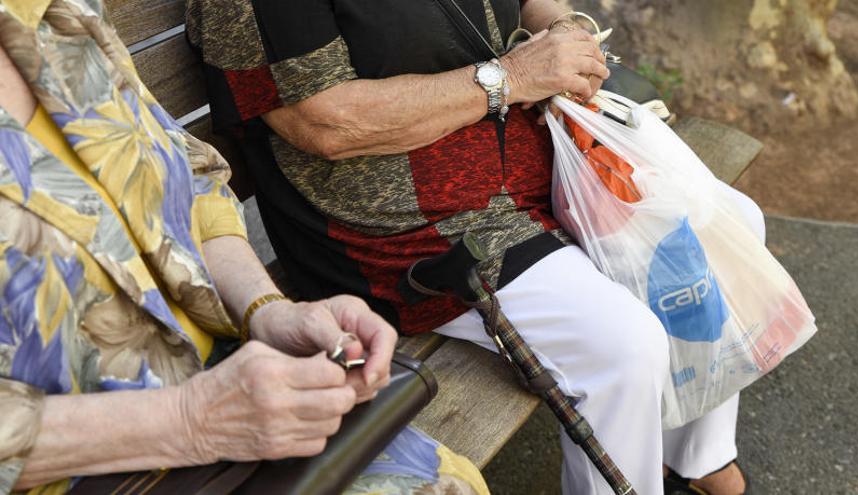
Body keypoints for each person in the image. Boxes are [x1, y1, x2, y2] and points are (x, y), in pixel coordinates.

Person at [187, 0, 763, 494]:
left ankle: (698, 457)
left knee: (724, 223)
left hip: (533, 149)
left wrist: (565, 30)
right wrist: (511, 78)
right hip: (396, 220)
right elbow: (325, 123)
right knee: (621, 343)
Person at [0, 1, 489, 494]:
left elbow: (191, 183)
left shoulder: (52, 13)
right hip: (95, 467)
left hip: (231, 384)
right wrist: (190, 421)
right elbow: (325, 121)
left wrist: (268, 311)